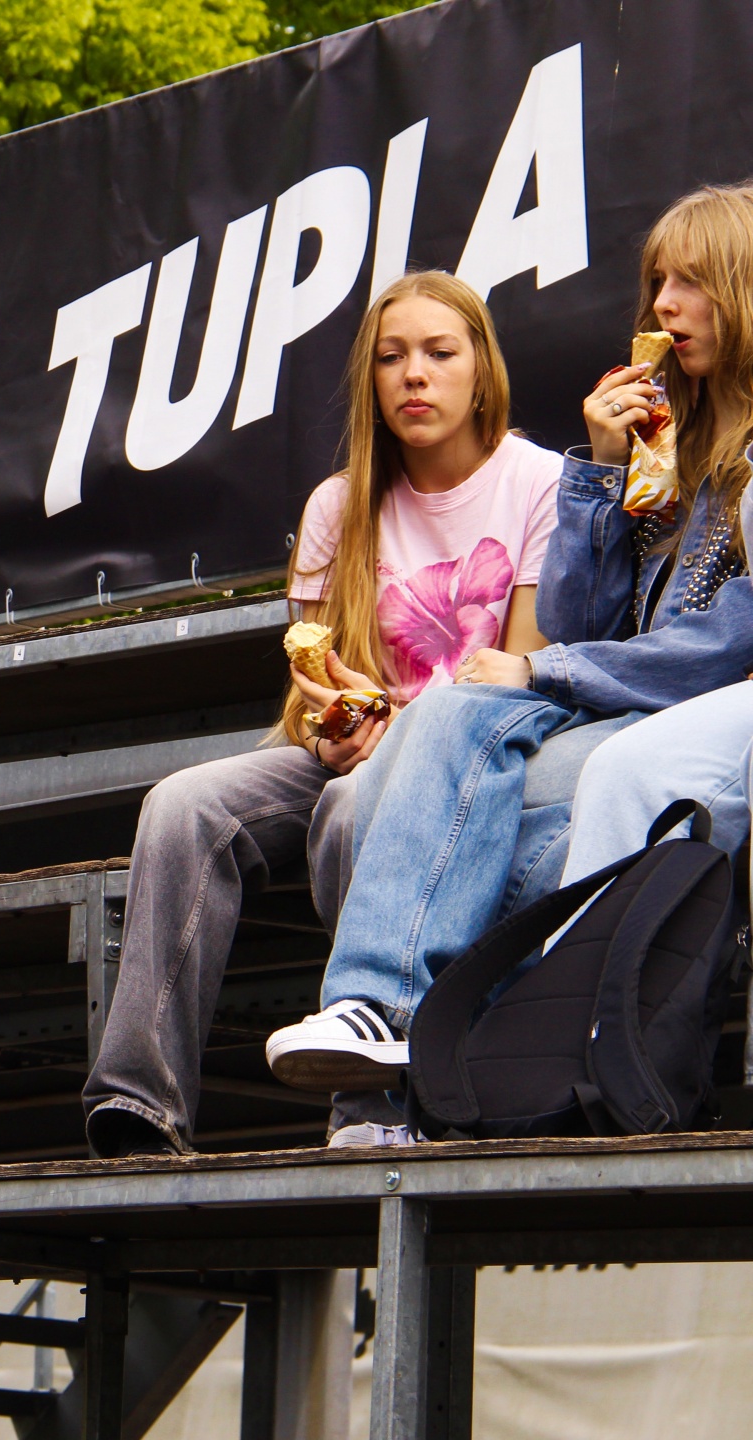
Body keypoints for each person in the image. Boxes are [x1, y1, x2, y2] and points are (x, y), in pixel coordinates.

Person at [267, 182, 753, 1096]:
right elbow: (583, 618)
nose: (663, 306)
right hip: (615, 711)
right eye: (657, 282)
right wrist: (600, 472)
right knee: (440, 731)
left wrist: (542, 668)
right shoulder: (667, 448)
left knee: (443, 777)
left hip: (690, 718)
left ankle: (415, 1034)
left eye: (690, 282)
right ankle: (387, 1019)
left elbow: (731, 640)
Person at [82, 271, 566, 1157]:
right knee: (182, 805)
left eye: (439, 352)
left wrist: (387, 744)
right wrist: (333, 727)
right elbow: (317, 688)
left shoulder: (540, 481)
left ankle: (371, 1103)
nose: (414, 374)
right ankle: (138, 1101)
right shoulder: (338, 505)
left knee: (354, 805)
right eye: (391, 357)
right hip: (359, 754)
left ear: (482, 370)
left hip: (472, 760)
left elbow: (518, 680)